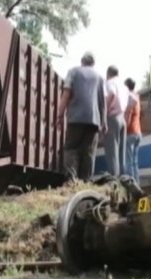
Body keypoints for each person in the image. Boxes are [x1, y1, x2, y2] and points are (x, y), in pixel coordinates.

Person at [56, 52, 107, 182]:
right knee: (89, 153)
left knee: (71, 149)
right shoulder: (100, 78)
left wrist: (60, 114)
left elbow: (66, 94)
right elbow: (103, 103)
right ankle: (86, 183)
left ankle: (71, 180)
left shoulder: (73, 72)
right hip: (94, 121)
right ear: (93, 64)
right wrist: (104, 122)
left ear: (81, 61)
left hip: (75, 119)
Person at [104, 65, 128, 177]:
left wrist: (105, 111)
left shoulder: (109, 83)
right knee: (121, 153)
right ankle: (122, 177)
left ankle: (114, 178)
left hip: (112, 117)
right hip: (122, 118)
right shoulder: (124, 87)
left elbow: (112, 93)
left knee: (112, 150)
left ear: (108, 73)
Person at [124, 78, 142, 184]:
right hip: (138, 133)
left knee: (129, 162)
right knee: (135, 162)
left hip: (130, 132)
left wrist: (124, 126)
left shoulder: (130, 97)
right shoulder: (137, 97)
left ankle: (131, 185)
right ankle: (137, 184)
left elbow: (128, 115)